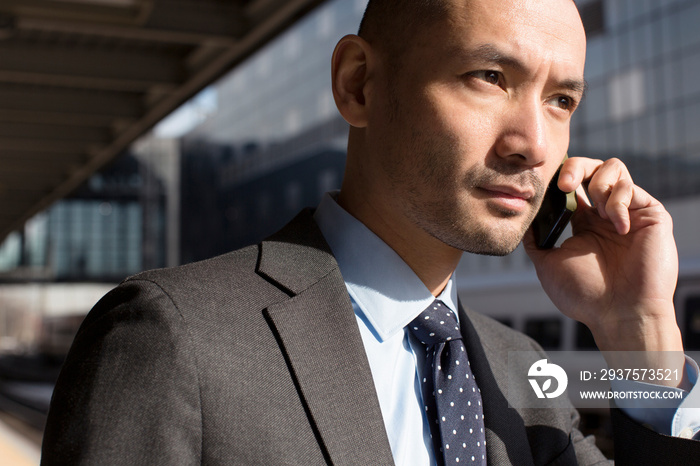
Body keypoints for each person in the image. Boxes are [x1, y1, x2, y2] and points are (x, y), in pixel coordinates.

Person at [41, 0, 700, 464]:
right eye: (491, 77)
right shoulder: (175, 338)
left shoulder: (523, 375)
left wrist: (636, 327)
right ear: (358, 84)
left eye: (561, 100)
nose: (534, 144)